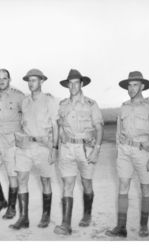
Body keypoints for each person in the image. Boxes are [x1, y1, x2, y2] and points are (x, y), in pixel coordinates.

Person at [106, 71, 149, 238]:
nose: (131, 88)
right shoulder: (123, 107)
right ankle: (121, 227)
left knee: (145, 188)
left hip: (143, 151)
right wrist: (119, 148)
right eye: (129, 85)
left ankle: (143, 226)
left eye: (135, 85)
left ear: (142, 86)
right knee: (123, 186)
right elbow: (118, 131)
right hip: (124, 152)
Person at [54, 69, 104, 235]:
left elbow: (99, 127)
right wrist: (56, 148)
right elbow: (59, 127)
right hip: (67, 149)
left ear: (82, 84)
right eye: (70, 83)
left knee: (86, 183)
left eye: (77, 82)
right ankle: (66, 224)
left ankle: (87, 214)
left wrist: (96, 149)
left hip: (85, 149)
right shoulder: (62, 105)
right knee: (67, 184)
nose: (73, 86)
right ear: (67, 85)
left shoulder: (91, 104)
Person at [9, 69, 59, 230]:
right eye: (29, 81)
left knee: (45, 180)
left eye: (34, 80)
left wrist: (54, 148)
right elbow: (23, 123)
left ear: (42, 81)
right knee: (21, 178)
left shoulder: (49, 101)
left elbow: (55, 125)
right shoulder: (25, 102)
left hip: (43, 146)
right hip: (26, 146)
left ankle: (46, 215)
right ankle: (23, 218)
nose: (31, 84)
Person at [0, 69, 25, 219]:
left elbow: (26, 116)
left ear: (10, 79)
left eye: (4, 78)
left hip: (11, 141)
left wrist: (23, 137)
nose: (1, 81)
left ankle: (12, 208)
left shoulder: (19, 96)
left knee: (12, 175)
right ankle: (1, 201)